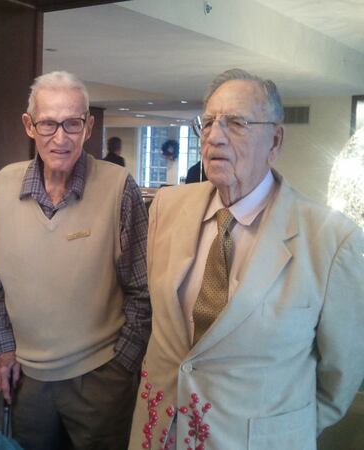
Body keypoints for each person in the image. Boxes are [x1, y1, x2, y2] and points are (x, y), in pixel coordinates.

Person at [129, 69, 364, 450]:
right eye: (208, 123)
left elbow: (340, 377)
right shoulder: (167, 208)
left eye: (236, 123)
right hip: (159, 431)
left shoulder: (333, 239)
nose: (215, 136)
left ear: (275, 139)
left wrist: (280, 428)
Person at [0, 71, 151, 450]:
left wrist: (121, 367)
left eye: (72, 123)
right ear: (29, 126)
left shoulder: (119, 187)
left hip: (100, 378)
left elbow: (142, 290)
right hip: (28, 381)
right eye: (48, 123)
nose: (60, 137)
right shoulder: (1, 187)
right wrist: (4, 348)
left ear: (88, 127)